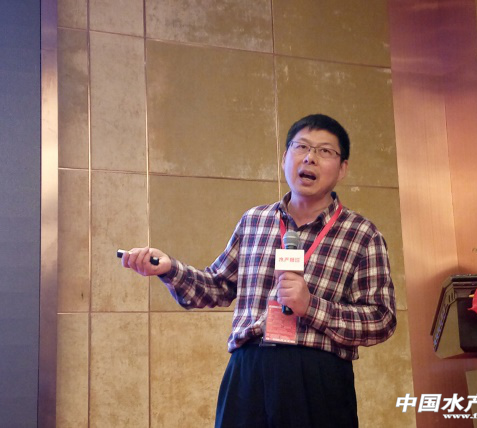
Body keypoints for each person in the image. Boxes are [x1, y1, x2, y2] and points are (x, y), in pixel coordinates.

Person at [122, 114, 397, 428]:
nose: (310, 158)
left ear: (343, 168)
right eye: (301, 147)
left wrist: (312, 307)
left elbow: (382, 318)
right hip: (248, 372)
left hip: (318, 377)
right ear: (284, 158)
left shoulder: (362, 234)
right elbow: (216, 286)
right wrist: (170, 269)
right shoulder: (254, 221)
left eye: (324, 151)